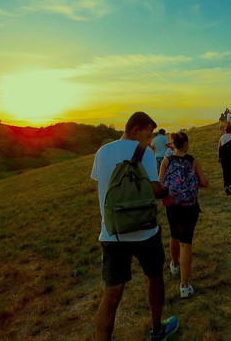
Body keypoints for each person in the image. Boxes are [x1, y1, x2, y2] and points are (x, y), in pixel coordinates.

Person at [91, 112, 178, 341]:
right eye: (148, 135)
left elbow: (102, 187)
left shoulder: (102, 152)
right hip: (145, 231)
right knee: (154, 277)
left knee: (111, 294)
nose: (150, 141)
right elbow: (153, 188)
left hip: (112, 233)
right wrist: (167, 191)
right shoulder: (144, 152)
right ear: (135, 129)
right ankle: (157, 329)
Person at [160, 132, 209, 298]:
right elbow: (204, 182)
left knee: (174, 235)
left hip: (173, 205)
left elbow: (160, 185)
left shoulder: (166, 161)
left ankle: (174, 264)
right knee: (186, 242)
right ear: (186, 143)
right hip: (190, 206)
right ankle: (184, 285)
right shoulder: (193, 161)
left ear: (173, 144)